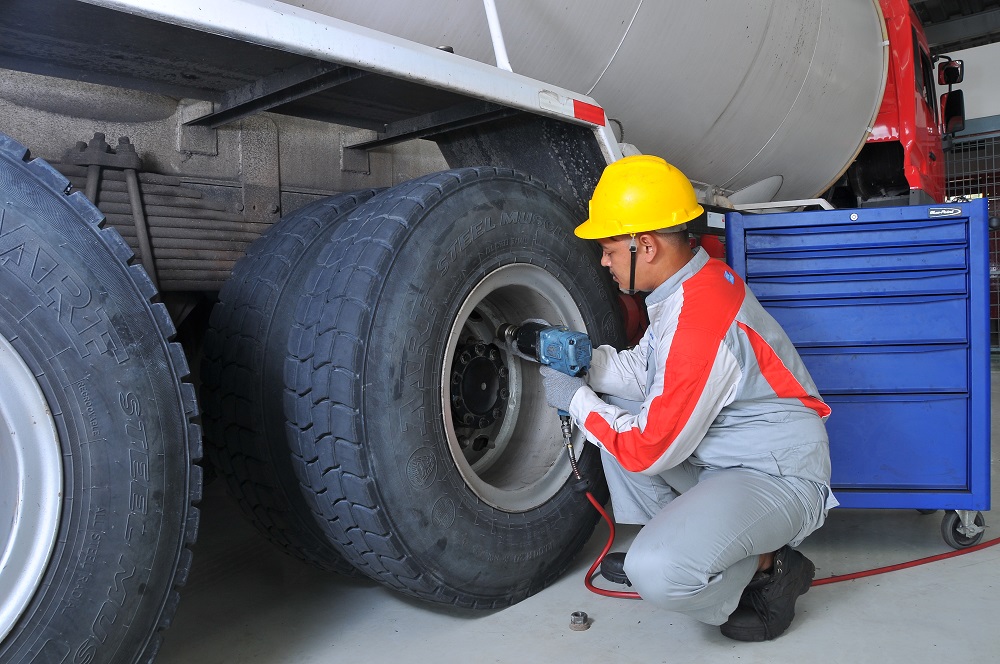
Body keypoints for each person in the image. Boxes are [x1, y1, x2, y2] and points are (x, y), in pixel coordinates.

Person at [538, 154, 837, 641]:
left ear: (646, 246)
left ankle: (768, 567)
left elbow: (649, 448)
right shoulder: (688, 286)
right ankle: (696, 543)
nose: (603, 259)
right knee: (615, 413)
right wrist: (583, 363)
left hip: (777, 475)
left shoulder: (699, 322)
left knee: (656, 569)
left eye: (610, 246)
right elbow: (646, 372)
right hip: (728, 457)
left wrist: (575, 401)